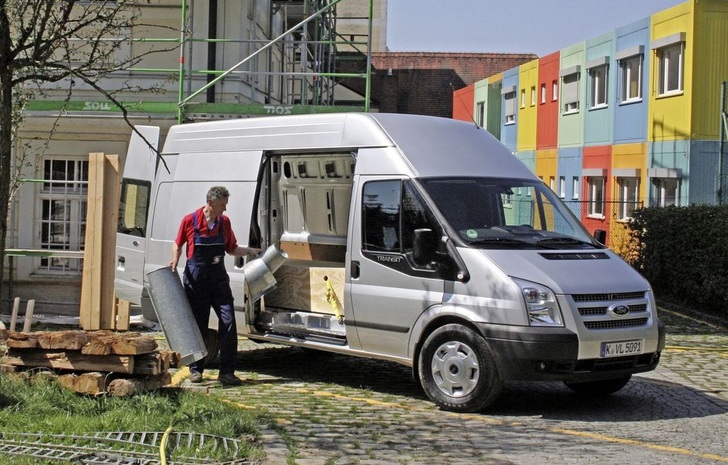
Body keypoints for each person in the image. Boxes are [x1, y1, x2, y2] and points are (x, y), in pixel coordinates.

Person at [169, 186, 260, 386]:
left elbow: (231, 248)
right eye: (222, 205)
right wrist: (175, 259)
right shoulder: (190, 220)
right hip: (197, 281)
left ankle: (227, 372)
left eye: (225, 205)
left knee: (228, 322)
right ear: (210, 203)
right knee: (199, 326)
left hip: (218, 281)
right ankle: (196, 370)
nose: (224, 209)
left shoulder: (224, 223)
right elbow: (177, 243)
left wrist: (250, 251)